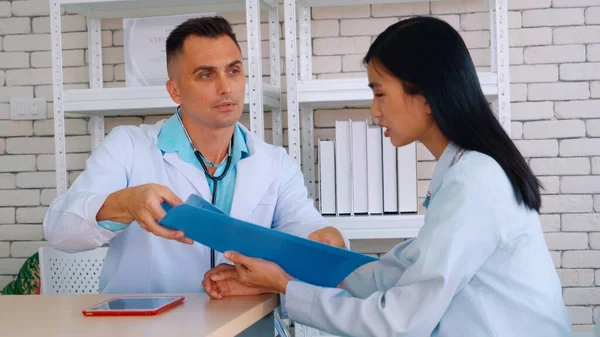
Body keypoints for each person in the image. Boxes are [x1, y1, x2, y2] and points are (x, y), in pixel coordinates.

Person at [206, 16, 573, 337]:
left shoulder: (475, 181)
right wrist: (280, 278)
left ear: (426, 95)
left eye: (380, 93)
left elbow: (397, 323)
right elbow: (393, 273)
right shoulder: (467, 171)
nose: (374, 110)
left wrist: (284, 285)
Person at [43, 16, 347, 295]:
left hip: (248, 323)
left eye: (234, 71)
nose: (226, 87)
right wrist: (124, 204)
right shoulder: (129, 147)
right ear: (175, 90)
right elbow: (59, 231)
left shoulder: (274, 162)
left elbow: (304, 226)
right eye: (206, 75)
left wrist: (326, 239)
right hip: (153, 328)